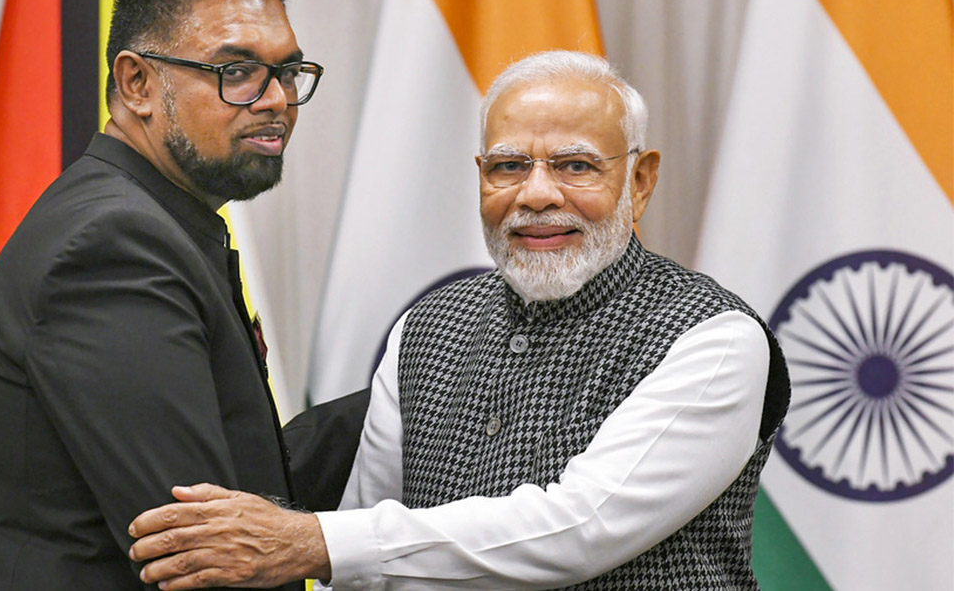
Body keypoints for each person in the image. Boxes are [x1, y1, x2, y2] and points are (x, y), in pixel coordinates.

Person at [126, 50, 790, 590]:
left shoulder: (714, 338)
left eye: (575, 165)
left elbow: (578, 529)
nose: (535, 193)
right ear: (479, 176)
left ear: (640, 181)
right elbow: (363, 566)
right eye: (508, 166)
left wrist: (308, 539)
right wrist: (327, 548)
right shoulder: (427, 325)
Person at [0, 0, 323, 590]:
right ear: (137, 84)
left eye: (287, 72)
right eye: (237, 71)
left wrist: (412, 386)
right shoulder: (112, 243)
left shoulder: (152, 215)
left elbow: (242, 461)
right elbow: (203, 548)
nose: (275, 100)